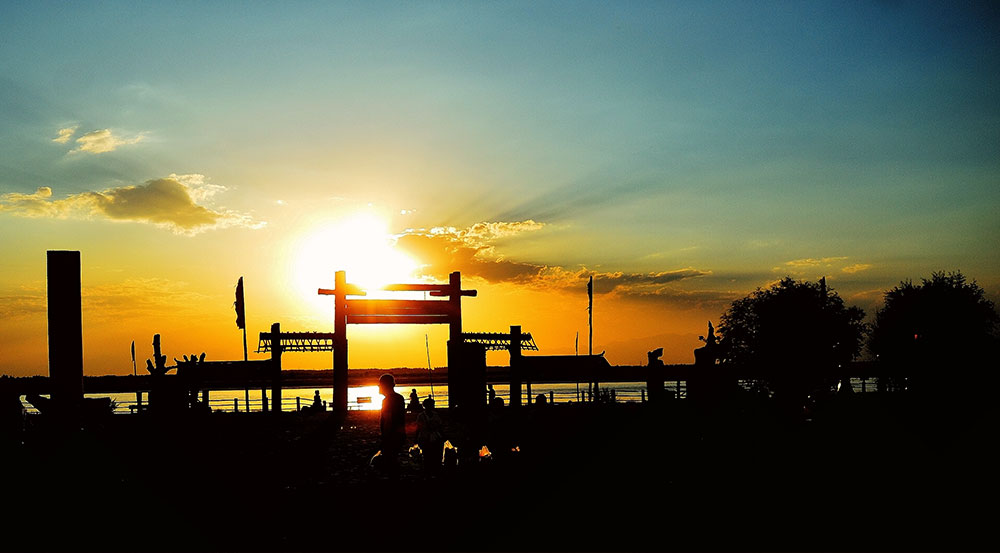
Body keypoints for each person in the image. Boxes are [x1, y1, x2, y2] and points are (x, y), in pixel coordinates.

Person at [378, 374, 406, 475]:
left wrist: (384, 438)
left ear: (384, 385)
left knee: (389, 462)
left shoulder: (387, 401)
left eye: (380, 384)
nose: (378, 387)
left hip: (391, 437)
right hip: (400, 435)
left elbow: (388, 419)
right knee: (395, 460)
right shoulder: (400, 398)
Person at [416, 397, 444, 472]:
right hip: (426, 437)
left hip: (432, 437)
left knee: (433, 455)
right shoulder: (423, 416)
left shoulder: (423, 415)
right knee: (428, 455)